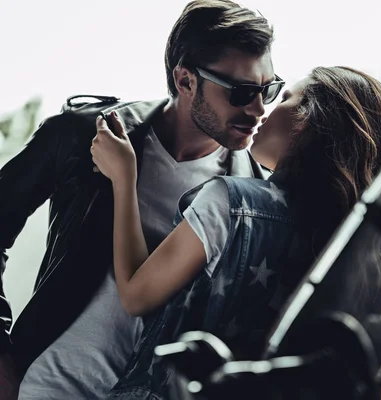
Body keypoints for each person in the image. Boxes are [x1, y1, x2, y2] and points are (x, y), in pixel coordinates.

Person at [0, 1, 282, 399]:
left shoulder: (250, 200)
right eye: (242, 92)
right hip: (46, 386)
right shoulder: (83, 136)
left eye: (269, 89)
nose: (258, 109)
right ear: (185, 81)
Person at [90, 66, 381, 390]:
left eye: (286, 98)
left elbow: (135, 294)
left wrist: (123, 176)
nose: (264, 110)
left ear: (309, 121)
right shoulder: (353, 251)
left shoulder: (228, 202)